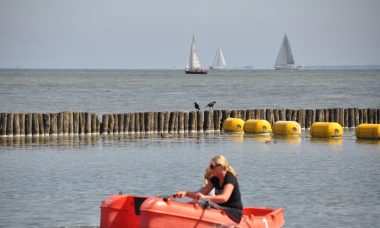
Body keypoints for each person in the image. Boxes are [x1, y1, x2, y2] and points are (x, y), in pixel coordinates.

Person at [175, 155, 243, 223]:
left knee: (201, 203)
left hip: (234, 211)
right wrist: (185, 193)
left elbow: (224, 198)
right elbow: (201, 194)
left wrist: (206, 197)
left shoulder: (230, 177)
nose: (210, 169)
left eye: (212, 166)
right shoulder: (214, 179)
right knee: (198, 202)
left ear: (221, 167)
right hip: (221, 208)